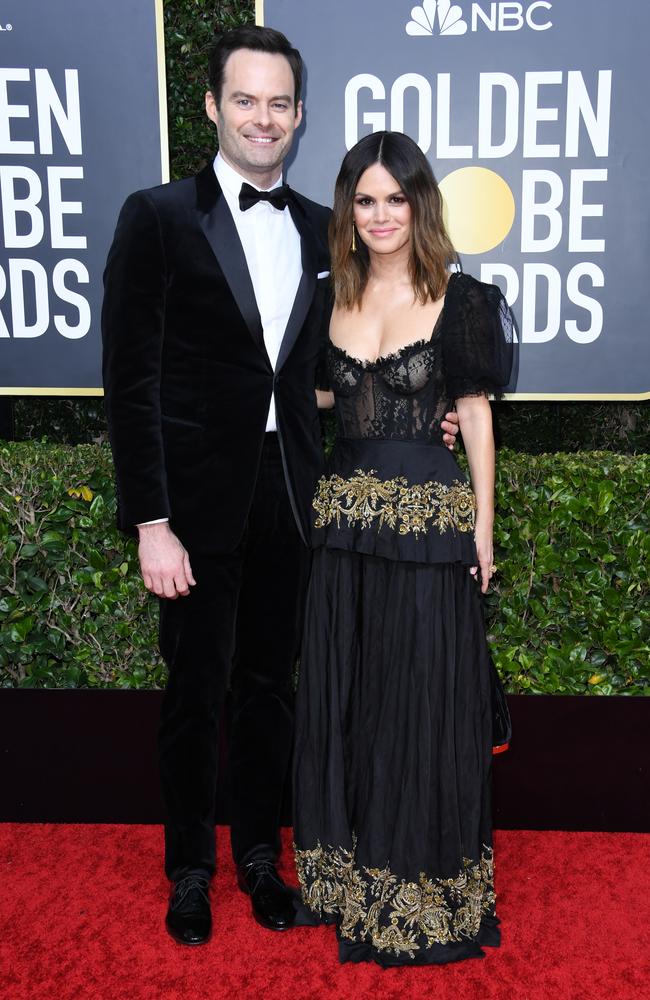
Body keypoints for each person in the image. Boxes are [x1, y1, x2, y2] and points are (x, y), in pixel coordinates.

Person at [102, 23, 463, 947]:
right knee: (193, 689)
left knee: (269, 688)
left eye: (279, 103)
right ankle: (190, 871)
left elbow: (338, 368)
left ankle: (261, 860)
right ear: (215, 108)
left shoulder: (320, 230)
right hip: (192, 504)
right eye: (245, 100)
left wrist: (433, 413)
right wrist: (151, 519)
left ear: (300, 116)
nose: (262, 118)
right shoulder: (156, 217)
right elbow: (130, 381)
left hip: (298, 498)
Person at [292, 131, 513, 967]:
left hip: (426, 532)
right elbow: (317, 388)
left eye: (396, 198)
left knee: (420, 701)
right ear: (349, 208)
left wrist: (482, 528)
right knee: (350, 698)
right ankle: (346, 874)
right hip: (344, 530)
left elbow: (477, 412)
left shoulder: (461, 298)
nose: (381, 215)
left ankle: (421, 883)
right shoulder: (329, 296)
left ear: (421, 204)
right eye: (365, 199)